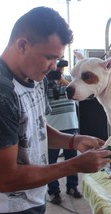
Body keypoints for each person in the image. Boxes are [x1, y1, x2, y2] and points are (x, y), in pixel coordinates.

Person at [0, 7, 111, 214]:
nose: (53, 67)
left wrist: (73, 140)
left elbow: (37, 127)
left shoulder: (37, 78)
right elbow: (5, 179)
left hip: (34, 204)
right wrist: (75, 165)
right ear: (22, 45)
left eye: (57, 59)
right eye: (49, 57)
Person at [46, 60, 81, 204]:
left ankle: (72, 186)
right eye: (57, 67)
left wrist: (62, 80)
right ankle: (54, 192)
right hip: (52, 127)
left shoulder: (70, 80)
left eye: (61, 68)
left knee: (72, 160)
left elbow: (78, 93)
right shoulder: (43, 82)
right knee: (51, 163)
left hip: (70, 125)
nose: (59, 70)